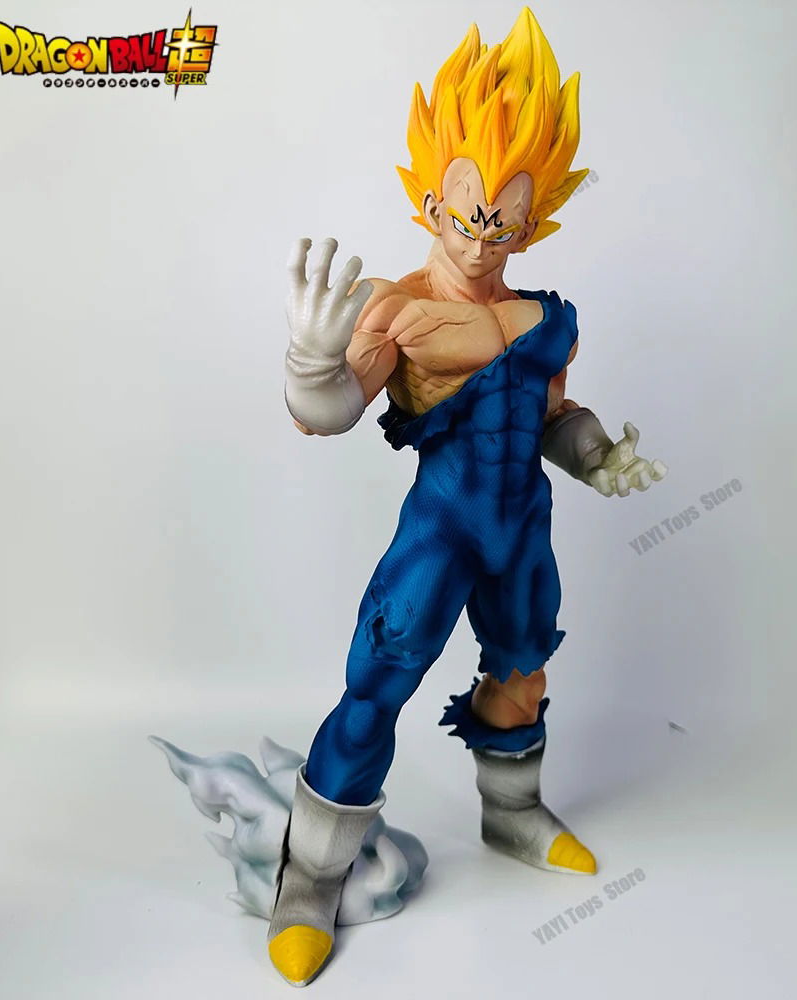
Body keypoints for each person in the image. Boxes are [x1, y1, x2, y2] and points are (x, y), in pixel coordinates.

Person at [268, 7, 666, 986]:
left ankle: (511, 813)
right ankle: (310, 874)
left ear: (536, 214)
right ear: (428, 197)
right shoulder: (397, 308)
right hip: (440, 529)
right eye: (465, 211)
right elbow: (330, 411)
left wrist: (597, 455)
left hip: (521, 527)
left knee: (524, 666)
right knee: (381, 676)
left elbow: (551, 416)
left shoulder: (544, 318)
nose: (483, 235)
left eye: (503, 217)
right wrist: (310, 362)